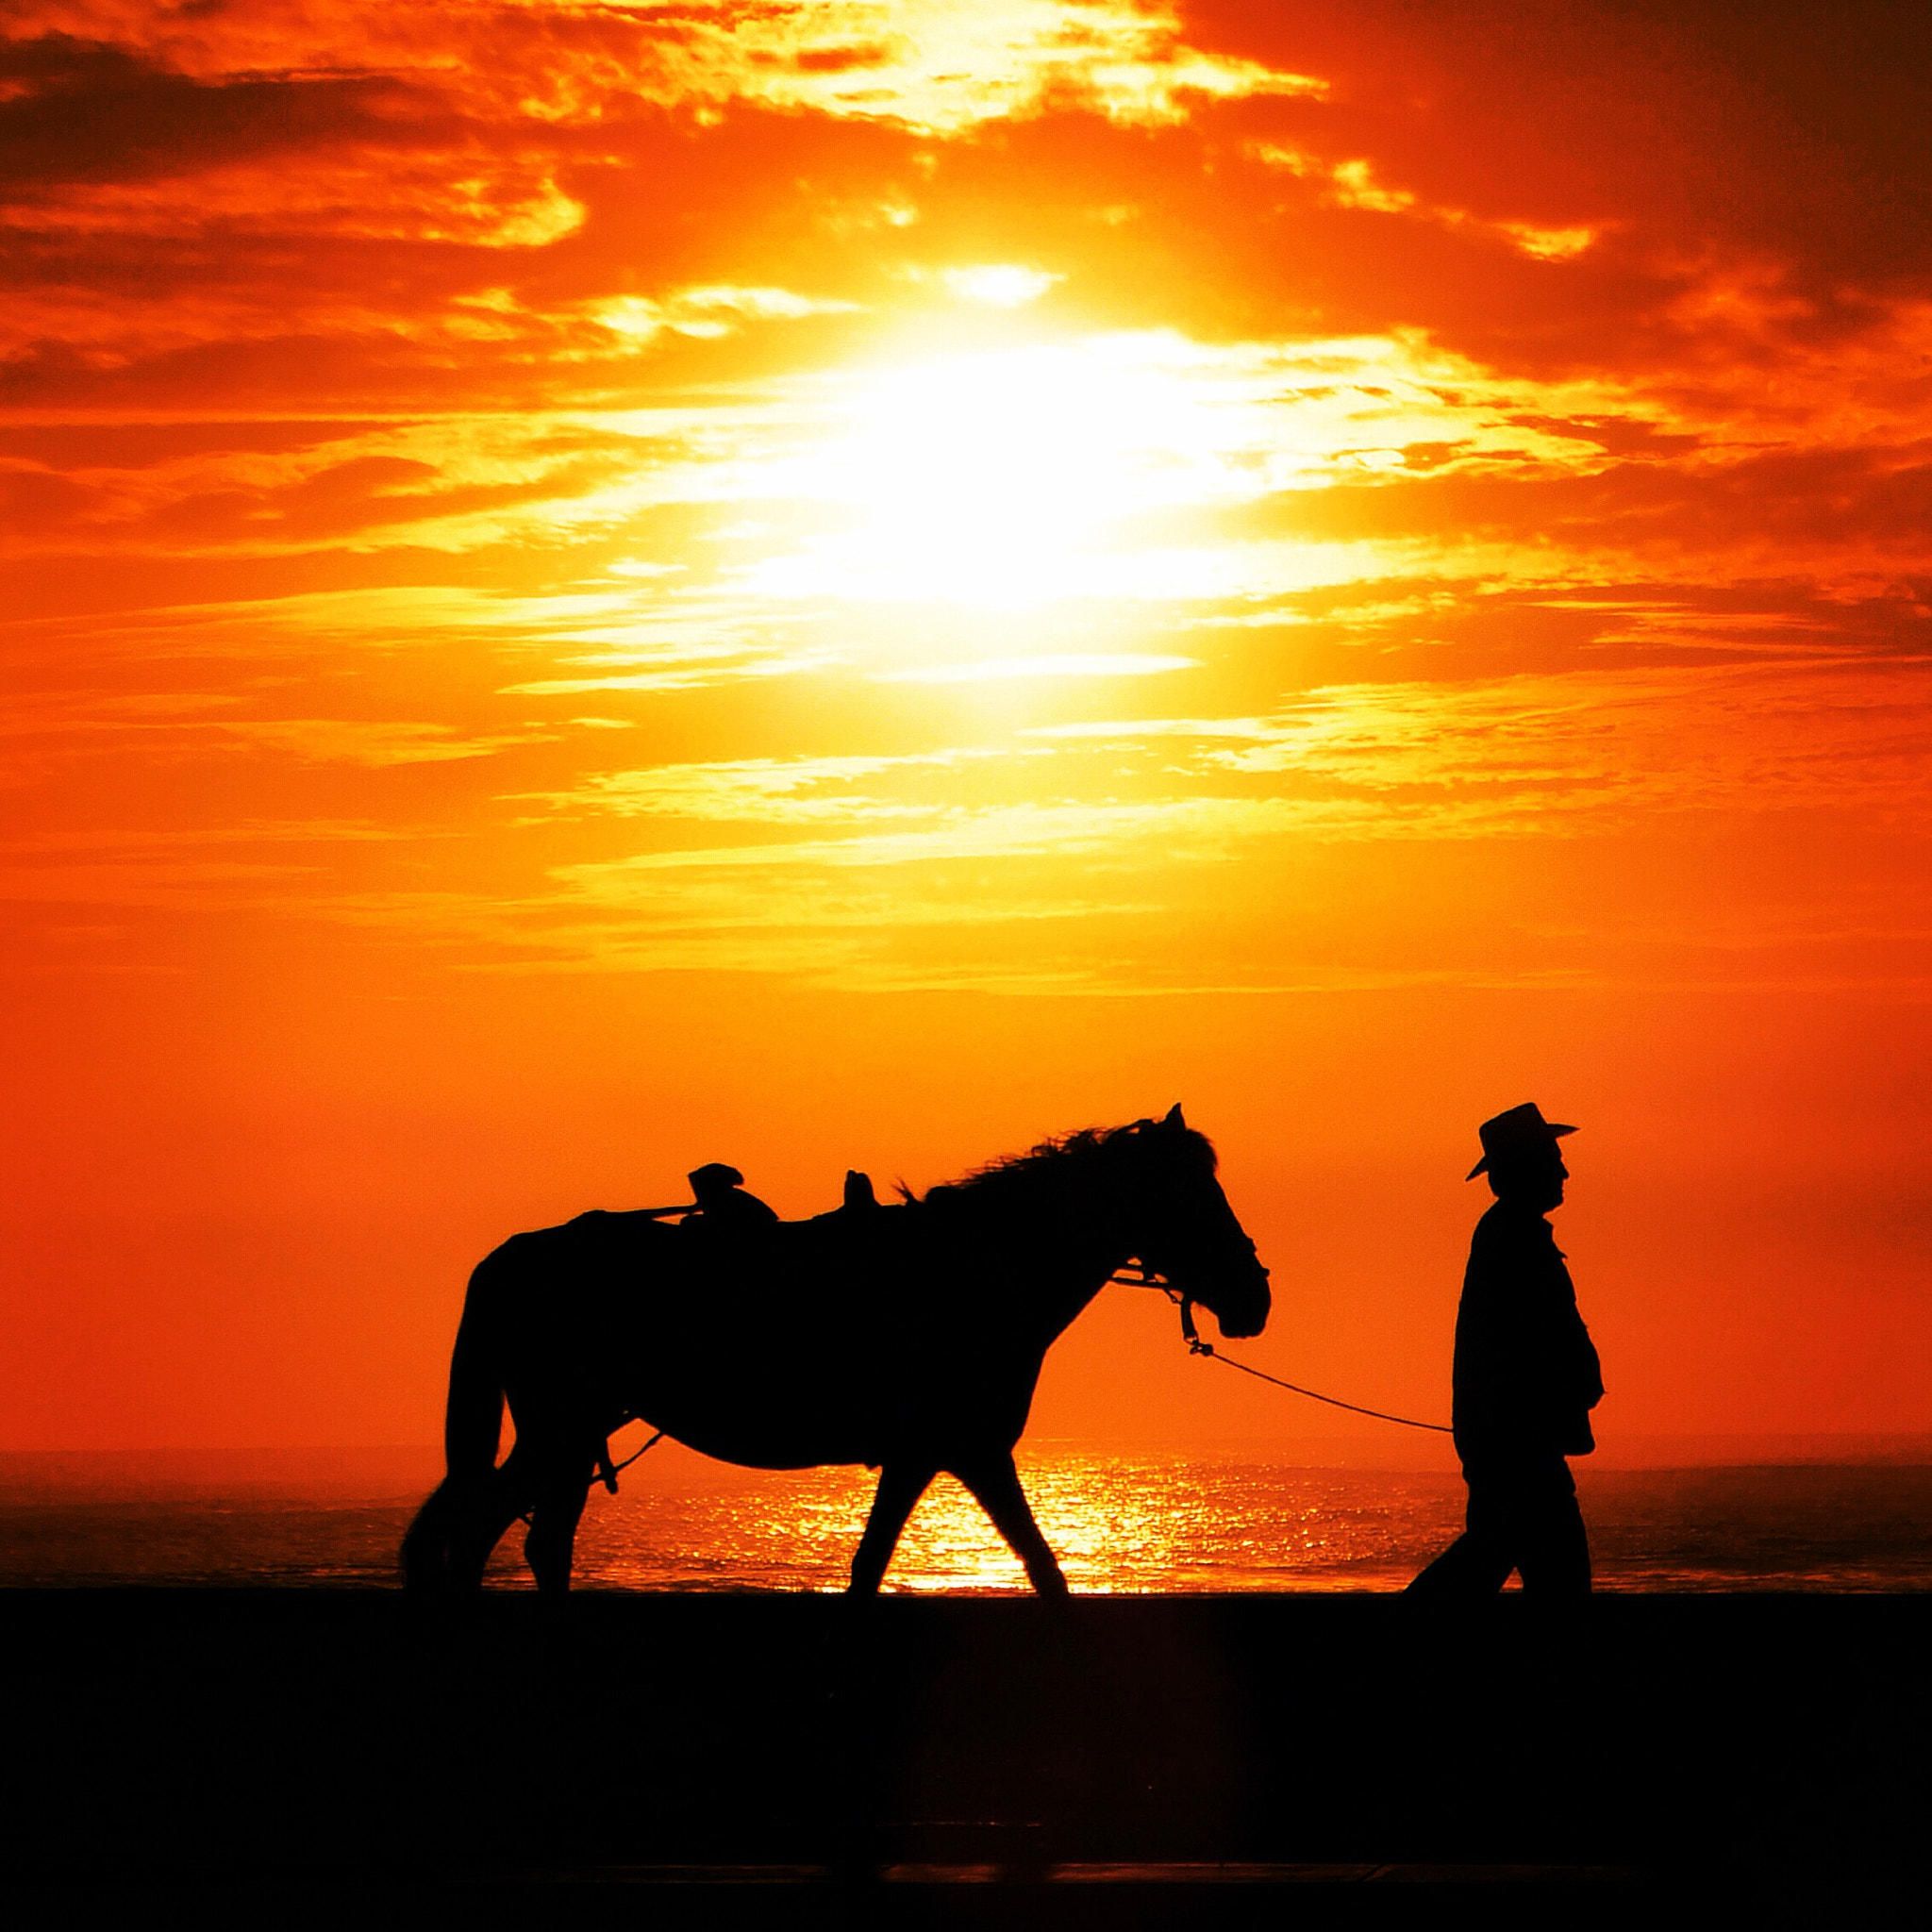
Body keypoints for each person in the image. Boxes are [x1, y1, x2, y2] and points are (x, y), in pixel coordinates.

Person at [1407, 1103, 1603, 1596]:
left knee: (1493, 1554)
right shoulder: (1514, 1240)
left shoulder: (1508, 1234)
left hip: (1511, 1442)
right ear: (1526, 1168)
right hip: (1520, 1444)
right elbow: (1529, 1343)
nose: (1563, 1170)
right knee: (1553, 1577)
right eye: (1551, 1158)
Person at [681, 1162, 779, 1234]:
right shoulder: (718, 1195)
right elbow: (693, 1209)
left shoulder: (727, 1196)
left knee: (690, 1222)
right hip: (740, 1223)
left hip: (751, 1225)